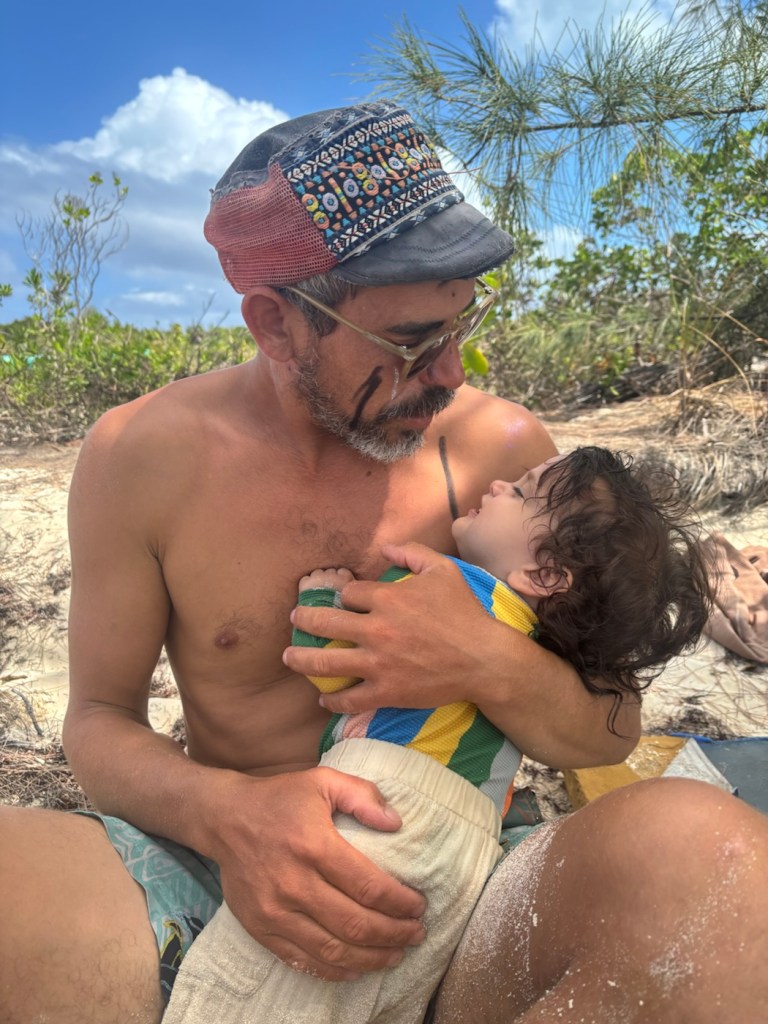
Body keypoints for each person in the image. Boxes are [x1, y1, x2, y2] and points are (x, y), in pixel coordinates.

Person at [0, 99, 765, 1024]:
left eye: (460, 325)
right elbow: (98, 721)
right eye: (410, 342)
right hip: (220, 868)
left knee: (719, 865)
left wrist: (488, 661)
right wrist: (228, 818)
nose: (450, 373)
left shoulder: (502, 458)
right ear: (276, 324)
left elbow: (609, 728)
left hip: (463, 877)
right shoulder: (141, 457)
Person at [164, 446, 712, 1024]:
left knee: (274, 990)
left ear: (546, 575)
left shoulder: (442, 586)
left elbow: (340, 667)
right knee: (390, 993)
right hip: (475, 846)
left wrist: (322, 598)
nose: (496, 485)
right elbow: (612, 711)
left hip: (385, 805)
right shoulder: (550, 643)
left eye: (518, 492)